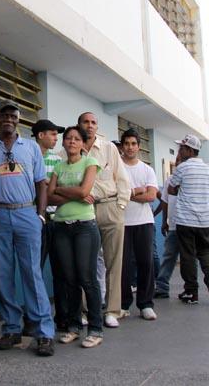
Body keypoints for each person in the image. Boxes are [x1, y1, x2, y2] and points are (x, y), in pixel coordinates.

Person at [0, 99, 56, 357]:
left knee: (31, 273)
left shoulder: (30, 147)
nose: (9, 118)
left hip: (27, 213)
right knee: (3, 274)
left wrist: (39, 215)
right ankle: (10, 328)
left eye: (13, 115)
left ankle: (43, 333)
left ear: (18, 120)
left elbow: (41, 184)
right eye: (4, 114)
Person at [73, 112, 131, 328]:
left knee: (113, 261)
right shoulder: (71, 150)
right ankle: (89, 310)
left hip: (110, 207)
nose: (89, 126)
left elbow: (123, 179)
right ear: (78, 125)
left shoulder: (108, 149)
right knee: (85, 262)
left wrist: (121, 207)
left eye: (93, 122)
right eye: (85, 122)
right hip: (83, 209)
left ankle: (112, 310)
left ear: (97, 127)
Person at [47, 126, 103, 348]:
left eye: (76, 139)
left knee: (87, 279)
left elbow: (84, 190)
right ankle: (74, 326)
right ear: (63, 142)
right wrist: (75, 193)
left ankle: (96, 329)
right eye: (68, 138)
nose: (71, 141)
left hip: (84, 227)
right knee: (69, 280)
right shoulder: (59, 166)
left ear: (82, 143)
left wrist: (62, 190)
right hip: (61, 226)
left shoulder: (90, 163)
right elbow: (50, 196)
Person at [32, 119, 68, 332]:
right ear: (40, 135)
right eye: (52, 134)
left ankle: (62, 318)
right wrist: (46, 185)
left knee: (61, 271)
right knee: (34, 270)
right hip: (37, 220)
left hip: (58, 220)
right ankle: (33, 319)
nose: (56, 138)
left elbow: (59, 190)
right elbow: (33, 189)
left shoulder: (58, 161)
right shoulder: (27, 157)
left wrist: (46, 186)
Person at [119, 128, 158, 321]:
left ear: (139, 146)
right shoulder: (117, 167)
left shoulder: (147, 169)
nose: (130, 147)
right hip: (122, 223)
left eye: (133, 144)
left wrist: (128, 194)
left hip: (144, 222)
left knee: (146, 263)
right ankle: (124, 304)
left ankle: (145, 304)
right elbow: (116, 193)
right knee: (123, 266)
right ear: (122, 146)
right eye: (127, 143)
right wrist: (137, 191)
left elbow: (151, 196)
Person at [168, 134, 209, 304]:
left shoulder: (182, 168)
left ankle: (191, 292)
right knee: (205, 254)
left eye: (182, 148)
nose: (179, 151)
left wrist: (182, 191)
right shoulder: (207, 169)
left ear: (190, 150)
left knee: (188, 256)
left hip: (185, 221)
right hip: (205, 221)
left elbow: (171, 189)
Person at [154, 155, 182, 298]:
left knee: (190, 259)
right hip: (173, 226)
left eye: (180, 160)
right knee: (169, 256)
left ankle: (191, 288)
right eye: (177, 160)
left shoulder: (190, 179)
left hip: (188, 226)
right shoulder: (170, 180)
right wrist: (164, 221)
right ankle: (162, 287)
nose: (178, 162)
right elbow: (164, 201)